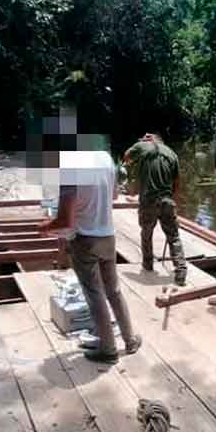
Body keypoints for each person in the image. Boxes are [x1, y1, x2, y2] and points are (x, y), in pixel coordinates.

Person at [39, 145, 142, 363]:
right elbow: (114, 196)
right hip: (108, 235)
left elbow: (65, 220)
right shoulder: (105, 158)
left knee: (94, 295)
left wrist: (44, 227)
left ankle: (108, 349)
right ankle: (130, 340)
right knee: (114, 291)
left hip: (84, 240)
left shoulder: (69, 168)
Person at [122, 133, 187, 286]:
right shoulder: (172, 153)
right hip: (167, 200)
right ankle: (181, 271)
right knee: (174, 237)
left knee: (146, 233)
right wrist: (172, 200)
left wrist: (141, 143)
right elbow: (177, 182)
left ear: (149, 139)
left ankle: (148, 265)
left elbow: (126, 157)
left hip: (148, 200)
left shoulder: (142, 145)